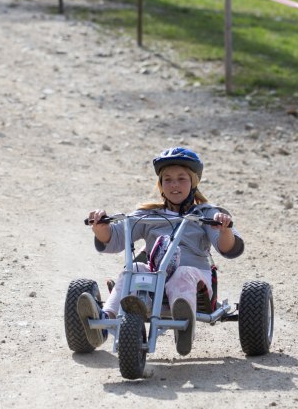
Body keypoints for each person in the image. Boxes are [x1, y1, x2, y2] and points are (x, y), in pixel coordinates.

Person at [78, 147, 245, 355]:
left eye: (181, 178)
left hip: (195, 279)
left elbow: (228, 248)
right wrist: (101, 227)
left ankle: (184, 325)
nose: (174, 184)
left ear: (193, 182)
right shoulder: (148, 215)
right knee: (135, 267)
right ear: (161, 185)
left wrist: (224, 229)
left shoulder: (207, 214)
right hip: (154, 281)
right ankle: (104, 321)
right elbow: (116, 238)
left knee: (183, 272)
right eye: (168, 179)